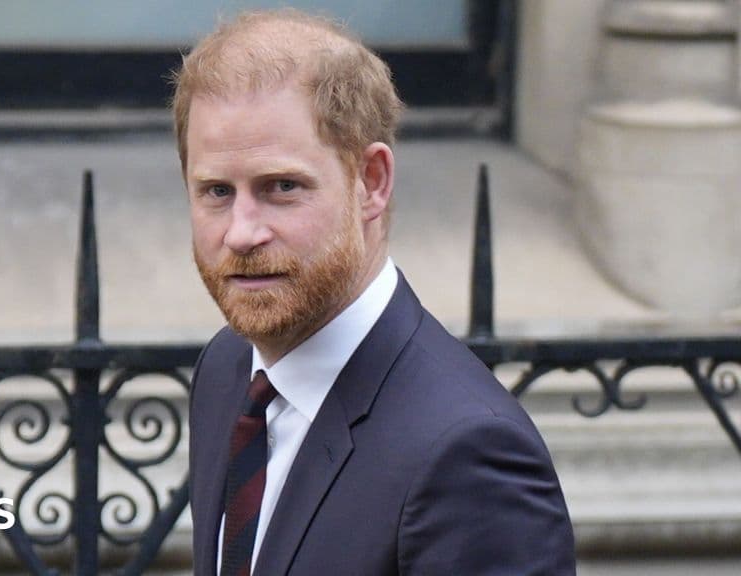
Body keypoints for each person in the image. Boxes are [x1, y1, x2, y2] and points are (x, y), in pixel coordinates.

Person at [173, 9, 575, 576]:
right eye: (216, 191)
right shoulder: (227, 368)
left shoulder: (468, 455)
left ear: (372, 183)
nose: (241, 232)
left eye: (282, 187)